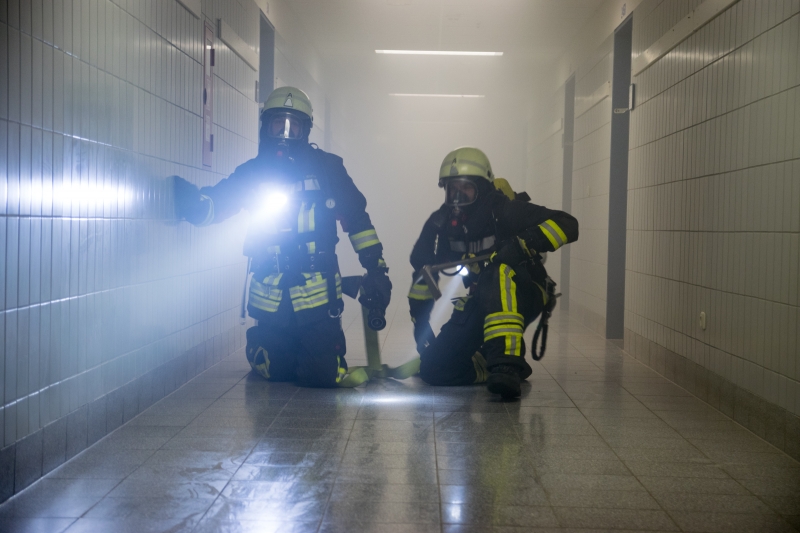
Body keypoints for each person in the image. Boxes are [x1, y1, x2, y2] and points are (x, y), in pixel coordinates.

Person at [173, 86, 392, 387]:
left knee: (322, 376)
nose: (285, 133)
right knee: (278, 371)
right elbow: (219, 203)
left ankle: (320, 354)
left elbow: (357, 220)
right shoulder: (253, 172)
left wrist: (376, 268)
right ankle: (261, 347)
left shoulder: (329, 170)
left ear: (306, 130)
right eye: (279, 124)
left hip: (318, 298)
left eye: (294, 126)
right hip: (271, 297)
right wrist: (193, 204)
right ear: (266, 127)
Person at [408, 147, 578, 398]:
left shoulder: (504, 211)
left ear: (482, 187)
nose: (457, 195)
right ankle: (490, 365)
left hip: (526, 291)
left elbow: (568, 224)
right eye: (452, 188)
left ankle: (506, 365)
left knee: (497, 271)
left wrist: (521, 245)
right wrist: (422, 332)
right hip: (482, 298)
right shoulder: (442, 224)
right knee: (434, 369)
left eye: (465, 187)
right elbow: (423, 274)